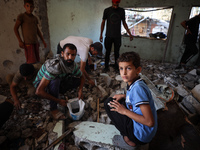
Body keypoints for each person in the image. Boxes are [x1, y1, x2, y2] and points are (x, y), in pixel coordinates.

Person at [104, 52, 157, 149]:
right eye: (121, 68)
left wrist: (124, 111)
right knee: (116, 101)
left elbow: (150, 122)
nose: (123, 73)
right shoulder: (136, 82)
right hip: (145, 132)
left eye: (128, 68)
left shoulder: (138, 89)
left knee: (108, 103)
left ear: (138, 70)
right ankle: (130, 135)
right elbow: (135, 98)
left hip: (141, 135)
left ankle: (130, 140)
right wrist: (124, 96)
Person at [34, 43, 85, 120]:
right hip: (42, 85)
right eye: (67, 54)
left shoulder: (72, 65)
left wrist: (80, 90)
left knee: (76, 80)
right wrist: (58, 101)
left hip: (58, 79)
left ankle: (57, 92)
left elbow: (82, 77)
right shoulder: (54, 66)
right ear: (62, 53)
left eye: (73, 55)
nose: (70, 57)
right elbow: (39, 91)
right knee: (55, 81)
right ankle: (53, 109)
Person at [99, 0, 133, 72]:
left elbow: (124, 23)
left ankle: (117, 67)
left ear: (119, 3)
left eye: (117, 5)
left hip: (117, 36)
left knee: (117, 53)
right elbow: (103, 23)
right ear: (112, 3)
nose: (115, 6)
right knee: (107, 52)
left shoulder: (121, 11)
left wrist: (129, 33)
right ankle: (106, 67)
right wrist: (101, 34)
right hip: (108, 35)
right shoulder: (107, 10)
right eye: (114, 5)